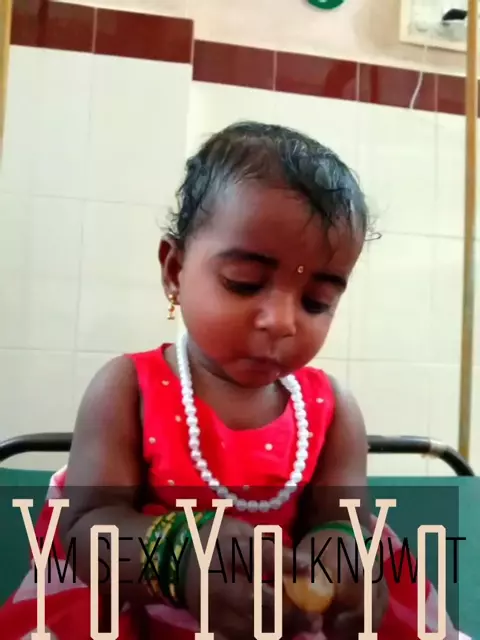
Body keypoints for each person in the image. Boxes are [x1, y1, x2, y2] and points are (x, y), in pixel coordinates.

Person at [0, 122, 457, 639]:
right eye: (244, 283)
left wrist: (340, 565)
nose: (282, 321)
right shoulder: (128, 389)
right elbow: (88, 531)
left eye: (317, 302)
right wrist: (182, 560)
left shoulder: (333, 410)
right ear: (174, 270)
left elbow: (339, 521)